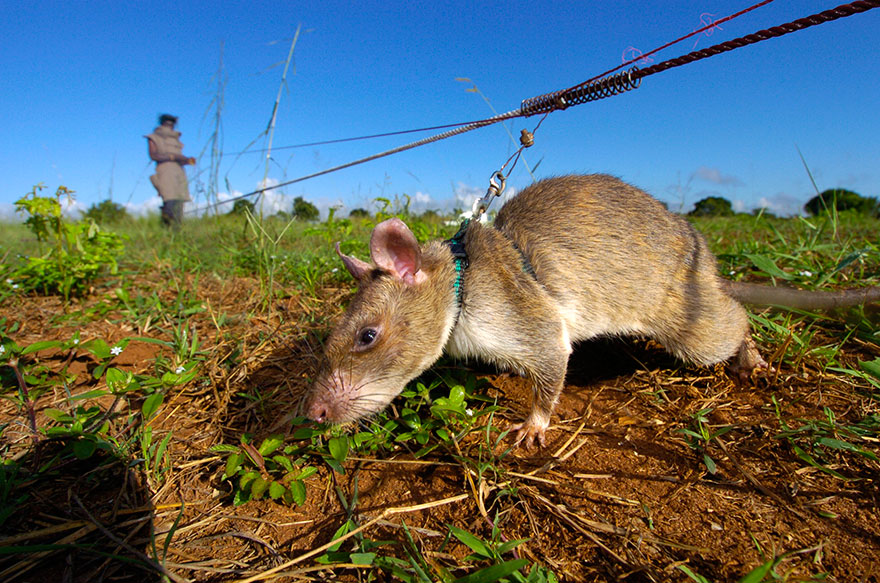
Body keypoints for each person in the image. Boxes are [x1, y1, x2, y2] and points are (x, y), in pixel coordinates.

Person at [145, 114, 196, 227]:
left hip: (179, 172)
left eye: (172, 124)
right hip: (165, 171)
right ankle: (166, 228)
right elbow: (154, 156)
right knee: (169, 200)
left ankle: (176, 230)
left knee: (180, 201)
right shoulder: (153, 137)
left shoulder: (177, 141)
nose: (170, 126)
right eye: (167, 123)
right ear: (162, 123)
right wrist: (174, 157)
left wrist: (187, 160)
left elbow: (179, 158)